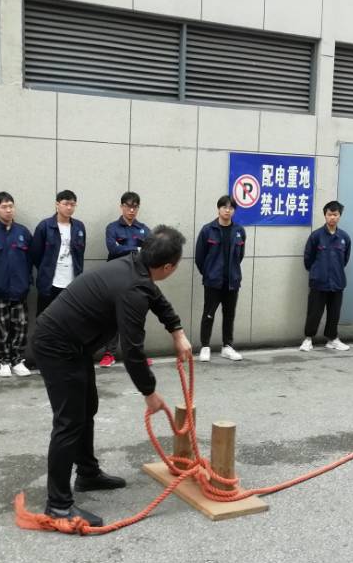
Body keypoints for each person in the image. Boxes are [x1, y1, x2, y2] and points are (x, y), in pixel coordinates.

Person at [32, 225, 193, 527]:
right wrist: (149, 392)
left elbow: (155, 296)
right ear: (168, 267)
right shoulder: (133, 289)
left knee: (86, 408)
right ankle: (58, 505)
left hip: (73, 345)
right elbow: (132, 351)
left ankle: (87, 474)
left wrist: (177, 331)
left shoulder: (135, 264)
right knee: (69, 421)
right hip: (56, 345)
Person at [0, 192, 33, 378]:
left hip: (20, 289)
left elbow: (30, 260)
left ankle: (18, 360)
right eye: (4, 207)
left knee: (20, 326)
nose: (8, 210)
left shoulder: (23, 232)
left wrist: (26, 281)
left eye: (11, 206)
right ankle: (4, 361)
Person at [100, 191, 151, 367]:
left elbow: (149, 250)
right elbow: (112, 249)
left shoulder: (143, 229)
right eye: (128, 206)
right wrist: (137, 248)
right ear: (121, 207)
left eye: (135, 207)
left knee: (136, 318)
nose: (131, 210)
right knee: (113, 317)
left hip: (137, 278)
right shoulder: (112, 228)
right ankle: (109, 354)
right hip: (115, 277)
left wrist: (124, 247)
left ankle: (138, 354)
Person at [195, 195, 246, 361]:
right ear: (218, 209)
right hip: (213, 282)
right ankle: (205, 347)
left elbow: (240, 256)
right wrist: (209, 273)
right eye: (224, 207)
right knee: (208, 314)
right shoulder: (207, 230)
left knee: (229, 315)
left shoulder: (239, 231)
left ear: (234, 211)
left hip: (232, 281)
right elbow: (199, 258)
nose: (227, 210)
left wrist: (232, 273)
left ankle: (227, 347)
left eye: (231, 208)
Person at [300, 200, 350, 352]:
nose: (332, 217)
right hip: (319, 282)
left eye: (335, 214)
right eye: (329, 214)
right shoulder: (316, 236)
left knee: (334, 313)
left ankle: (332, 339)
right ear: (325, 215)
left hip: (337, 281)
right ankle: (308, 339)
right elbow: (308, 259)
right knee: (314, 312)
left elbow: (345, 259)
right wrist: (317, 272)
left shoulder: (344, 237)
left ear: (340, 216)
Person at [30, 189, 85, 317]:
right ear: (57, 204)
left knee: (69, 319)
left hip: (72, 283)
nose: (69, 207)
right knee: (45, 318)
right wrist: (46, 268)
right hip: (50, 283)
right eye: (66, 204)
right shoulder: (44, 226)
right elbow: (35, 255)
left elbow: (80, 254)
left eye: (72, 204)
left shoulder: (79, 227)